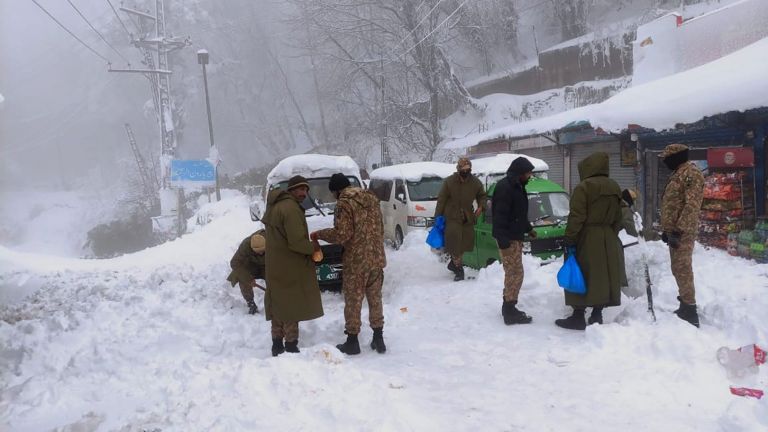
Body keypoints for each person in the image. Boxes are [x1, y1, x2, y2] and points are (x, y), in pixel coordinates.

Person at [312, 173, 387, 355]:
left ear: (337, 190)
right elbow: (381, 228)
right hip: (376, 259)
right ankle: (379, 338)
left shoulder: (344, 203)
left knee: (353, 301)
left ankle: (352, 341)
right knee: (375, 299)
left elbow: (342, 234)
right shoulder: (371, 198)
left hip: (356, 262)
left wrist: (319, 234)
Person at [555, 152, 624, 330]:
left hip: (586, 236)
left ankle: (578, 316)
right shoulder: (615, 186)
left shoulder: (584, 187)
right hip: (608, 236)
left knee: (581, 272)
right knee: (603, 275)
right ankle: (596, 315)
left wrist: (570, 239)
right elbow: (619, 216)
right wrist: (610, 234)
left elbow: (577, 217)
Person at [262, 175, 324, 356]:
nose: (304, 193)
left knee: (279, 304)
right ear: (291, 190)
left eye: (306, 190)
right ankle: (290, 344)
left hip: (275, 263)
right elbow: (297, 242)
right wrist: (313, 247)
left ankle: (276, 344)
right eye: (300, 189)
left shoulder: (274, 206)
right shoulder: (291, 209)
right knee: (292, 304)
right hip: (291, 263)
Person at [659, 143, 704, 327]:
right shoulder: (678, 173)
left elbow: (692, 205)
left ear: (676, 157)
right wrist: (668, 230)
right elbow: (673, 204)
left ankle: (690, 310)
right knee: (677, 268)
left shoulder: (691, 174)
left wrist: (678, 230)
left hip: (683, 232)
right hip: (675, 231)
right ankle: (685, 303)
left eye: (667, 158)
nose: (665, 162)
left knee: (683, 268)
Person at [491, 157, 537, 325]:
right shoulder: (506, 188)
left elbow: (518, 214)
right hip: (508, 238)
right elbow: (500, 216)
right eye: (528, 173)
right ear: (520, 172)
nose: (530, 176)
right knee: (515, 273)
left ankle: (508, 305)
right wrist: (503, 240)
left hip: (514, 237)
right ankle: (509, 310)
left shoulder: (517, 186)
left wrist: (528, 229)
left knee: (514, 273)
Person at [435, 157, 487, 281]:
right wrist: (438, 217)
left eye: (468, 169)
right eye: (463, 169)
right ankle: (459, 270)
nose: (466, 171)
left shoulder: (475, 182)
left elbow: (482, 195)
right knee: (455, 245)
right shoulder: (449, 182)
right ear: (458, 169)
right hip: (452, 216)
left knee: (465, 244)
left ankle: (453, 264)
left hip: (468, 217)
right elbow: (441, 200)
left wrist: (481, 206)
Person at [226, 230, 266, 314]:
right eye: (258, 251)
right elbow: (234, 262)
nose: (261, 253)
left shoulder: (273, 241)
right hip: (251, 265)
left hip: (268, 265)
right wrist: (248, 278)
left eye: (263, 250)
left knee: (275, 279)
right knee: (243, 278)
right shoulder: (245, 245)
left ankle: (275, 302)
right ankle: (251, 303)